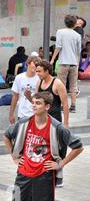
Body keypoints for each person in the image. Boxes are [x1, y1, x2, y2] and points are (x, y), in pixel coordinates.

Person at [3, 92, 84, 201]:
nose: (34, 106)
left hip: (44, 176)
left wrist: (60, 163)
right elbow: (6, 136)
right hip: (23, 174)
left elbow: (78, 147)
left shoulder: (57, 127)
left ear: (47, 107)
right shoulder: (24, 123)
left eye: (38, 103)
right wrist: (15, 157)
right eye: (33, 102)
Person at [33, 60, 70, 188]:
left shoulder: (57, 83)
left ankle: (59, 177)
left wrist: (65, 124)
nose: (37, 73)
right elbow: (37, 103)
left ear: (47, 71)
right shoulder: (39, 83)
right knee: (43, 148)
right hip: (42, 121)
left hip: (55, 121)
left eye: (39, 71)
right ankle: (44, 174)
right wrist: (28, 97)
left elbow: (65, 104)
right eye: (36, 71)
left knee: (57, 150)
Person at [50, 15, 81, 113]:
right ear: (75, 23)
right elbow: (78, 51)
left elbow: (58, 47)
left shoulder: (60, 32)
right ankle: (73, 106)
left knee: (61, 85)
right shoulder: (77, 35)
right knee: (73, 85)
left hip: (63, 62)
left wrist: (52, 60)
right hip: (74, 63)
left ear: (65, 22)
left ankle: (63, 105)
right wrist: (78, 64)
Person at [9, 55, 41, 124]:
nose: (35, 66)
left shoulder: (40, 79)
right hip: (22, 115)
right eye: (34, 63)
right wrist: (11, 114)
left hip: (35, 115)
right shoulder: (19, 77)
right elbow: (15, 96)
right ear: (28, 64)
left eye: (37, 64)